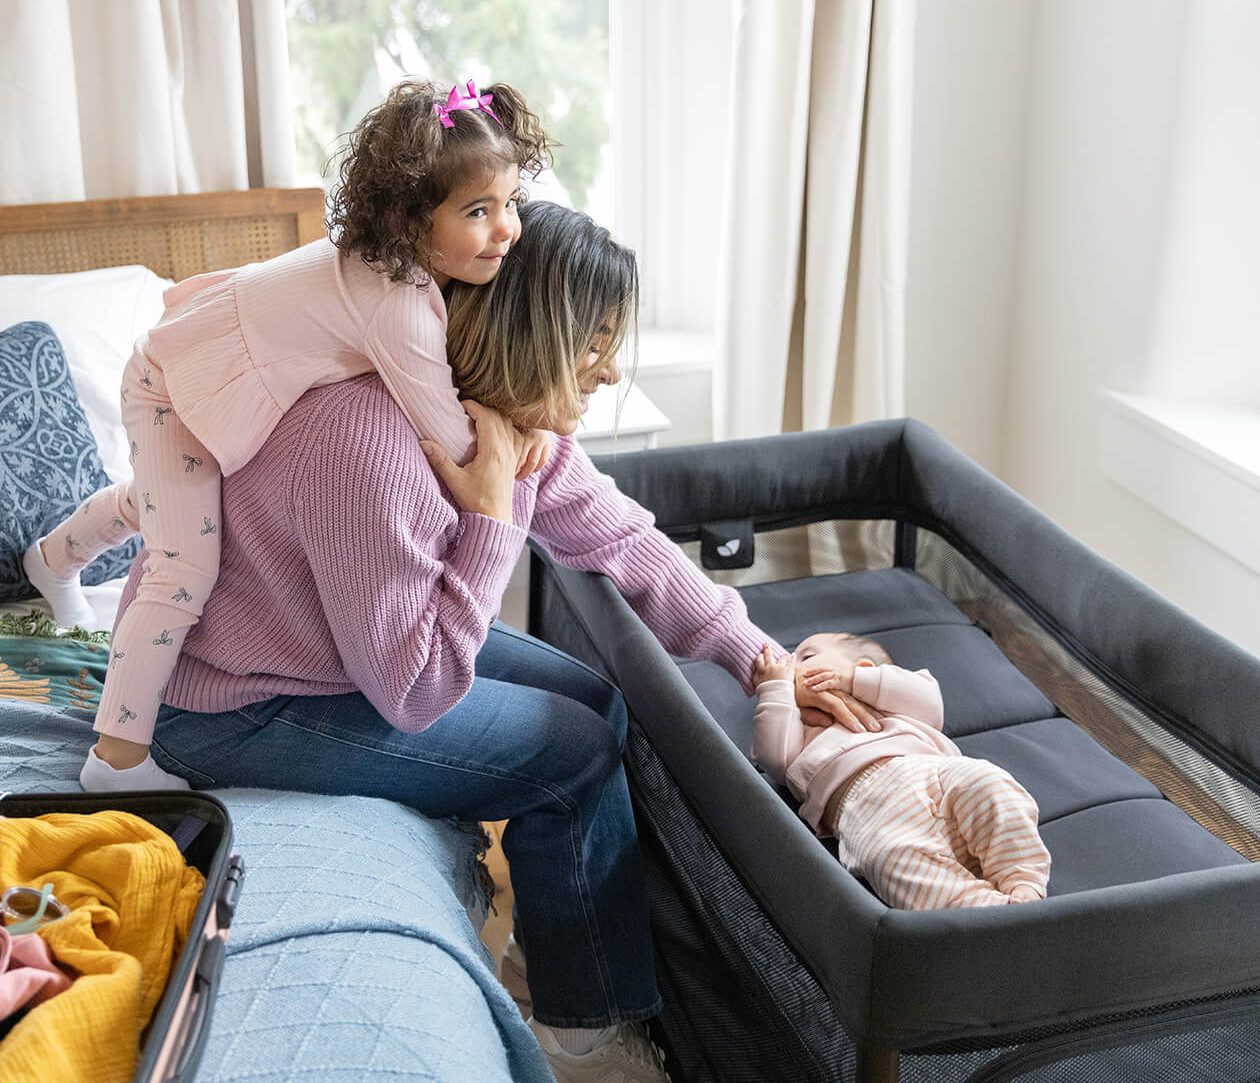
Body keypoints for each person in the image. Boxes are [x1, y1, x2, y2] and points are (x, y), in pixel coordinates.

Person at [126, 200, 874, 1083]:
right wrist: (487, 518)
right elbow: (413, 693)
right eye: (594, 343)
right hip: (232, 703)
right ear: (534, 330)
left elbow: (623, 537)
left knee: (595, 700)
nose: (609, 371)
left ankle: (557, 955)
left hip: (336, 653)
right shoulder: (362, 440)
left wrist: (760, 659)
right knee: (571, 753)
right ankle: (588, 1036)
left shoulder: (497, 418)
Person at [20, 78, 554, 794]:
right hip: (171, 382)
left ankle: (50, 560)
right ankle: (114, 758)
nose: (508, 230)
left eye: (511, 202)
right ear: (407, 219)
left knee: (156, 499)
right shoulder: (401, 309)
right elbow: (454, 445)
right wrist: (515, 448)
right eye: (479, 210)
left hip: (204, 369)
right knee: (183, 565)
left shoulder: (393, 272)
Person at [751, 632, 1051, 909]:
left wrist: (854, 681)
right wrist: (774, 689)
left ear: (864, 666)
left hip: (932, 773)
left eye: (805, 656)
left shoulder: (892, 701)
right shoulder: (801, 723)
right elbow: (774, 759)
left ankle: (1023, 882)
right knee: (887, 860)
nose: (789, 663)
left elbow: (929, 700)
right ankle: (989, 912)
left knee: (988, 782)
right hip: (867, 814)